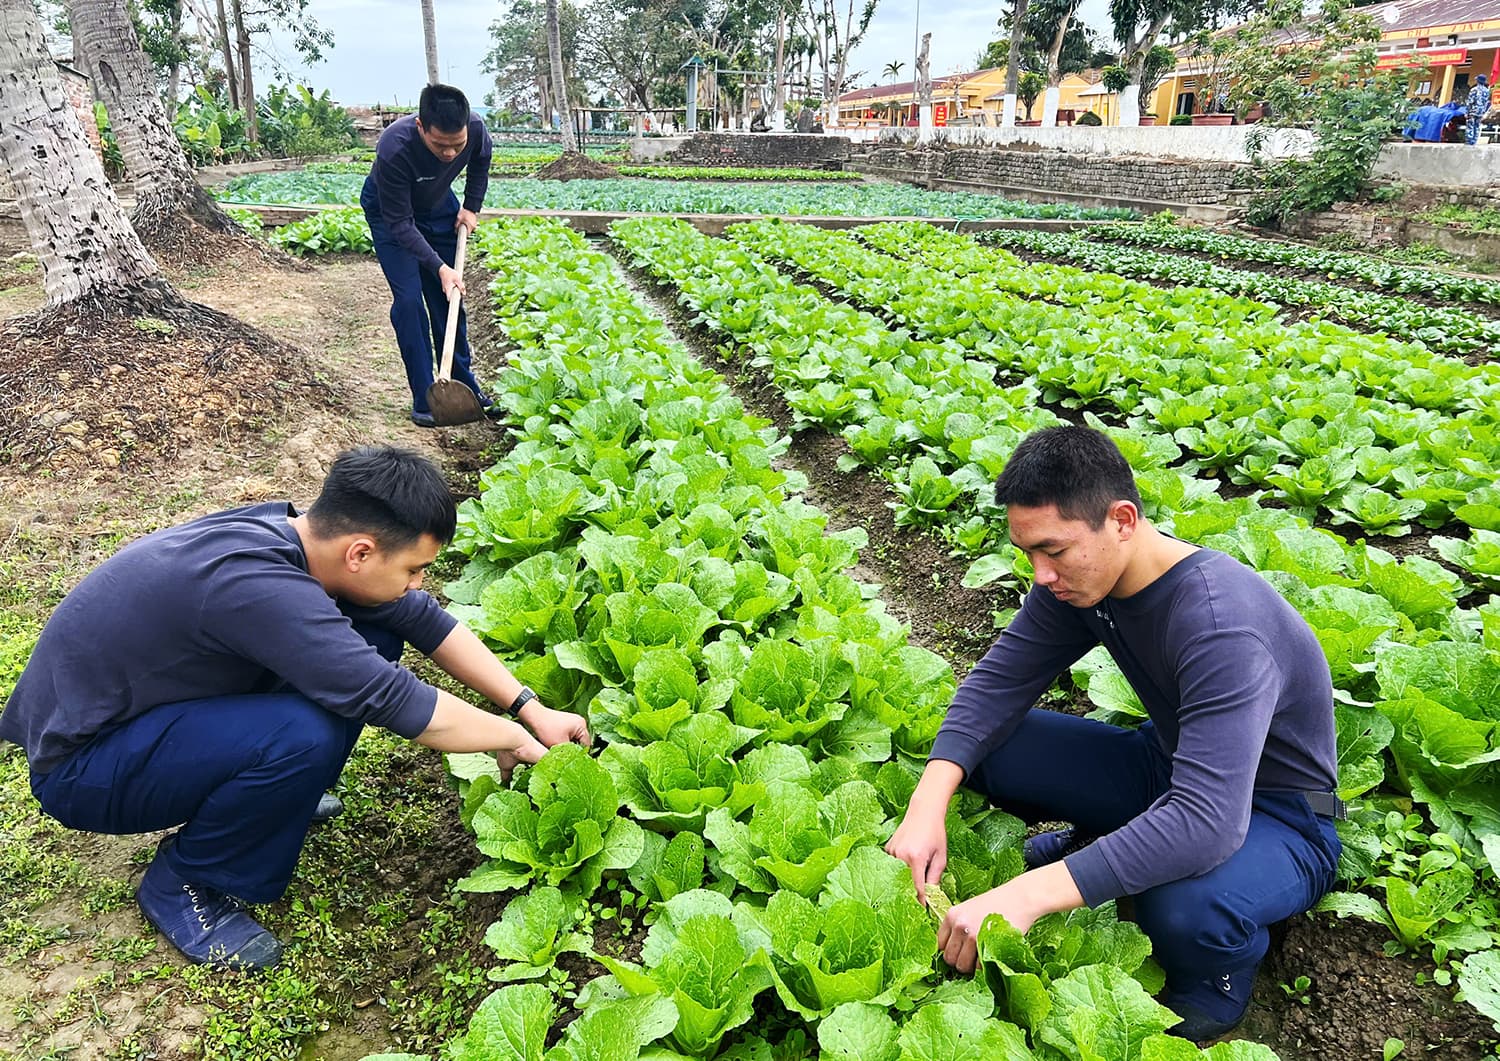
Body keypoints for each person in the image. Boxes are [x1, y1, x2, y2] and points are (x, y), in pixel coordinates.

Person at [0, 446, 590, 971]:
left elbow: (420, 620)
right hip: (84, 769)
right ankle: (184, 882)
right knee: (299, 733)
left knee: (373, 638)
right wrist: (510, 739)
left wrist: (528, 706)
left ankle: (275, 798)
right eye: (413, 569)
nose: (417, 584)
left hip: (150, 718)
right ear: (360, 551)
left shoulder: (295, 537)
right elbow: (389, 697)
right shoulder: (257, 585)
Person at [886, 426, 1342, 1043]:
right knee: (991, 745)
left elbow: (1209, 820)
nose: (1041, 574)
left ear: (1122, 520)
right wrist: (926, 804)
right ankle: (1102, 846)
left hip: (1282, 817)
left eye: (1054, 550)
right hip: (1169, 770)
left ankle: (1217, 990)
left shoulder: (1220, 625)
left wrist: (1027, 896)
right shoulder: (1080, 583)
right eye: (1028, 554)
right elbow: (996, 686)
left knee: (1182, 909)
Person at [361, 84, 497, 428]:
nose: (450, 154)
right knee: (409, 302)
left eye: (457, 145)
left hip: (437, 205)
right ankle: (425, 397)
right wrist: (439, 266)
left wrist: (470, 207)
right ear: (421, 127)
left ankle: (463, 385)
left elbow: (480, 161)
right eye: (440, 145)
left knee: (449, 299)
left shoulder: (477, 130)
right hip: (391, 213)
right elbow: (401, 224)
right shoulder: (394, 147)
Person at [1466, 75, 1491, 145]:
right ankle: (1474, 141)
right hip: (1481, 112)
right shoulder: (1486, 91)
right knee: (1477, 127)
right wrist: (1484, 112)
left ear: (1477, 81)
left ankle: (1469, 141)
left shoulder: (1474, 90)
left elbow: (1470, 102)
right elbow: (1486, 103)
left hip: (1473, 111)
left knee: (1470, 126)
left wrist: (1467, 112)